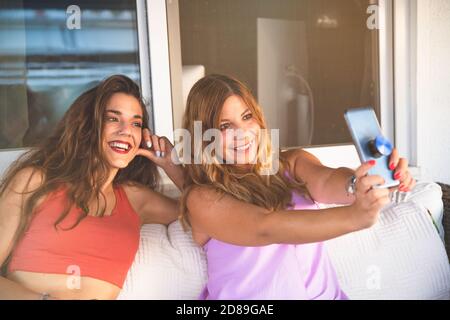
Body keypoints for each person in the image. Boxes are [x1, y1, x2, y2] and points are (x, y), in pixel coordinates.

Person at [180, 74, 416, 300]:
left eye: (247, 116)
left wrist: (362, 184)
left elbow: (327, 180)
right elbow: (266, 227)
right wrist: (354, 217)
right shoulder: (201, 198)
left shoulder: (292, 164)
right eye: (224, 126)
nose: (242, 133)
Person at [0, 75, 183, 300]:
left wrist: (172, 166)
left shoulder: (135, 199)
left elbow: (208, 213)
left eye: (136, 123)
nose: (126, 130)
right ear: (88, 125)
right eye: (113, 119)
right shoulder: (34, 182)